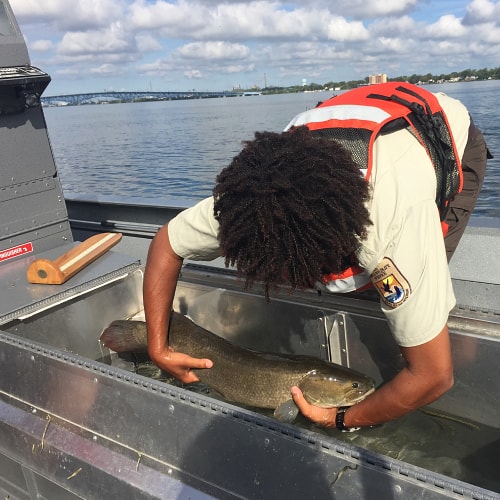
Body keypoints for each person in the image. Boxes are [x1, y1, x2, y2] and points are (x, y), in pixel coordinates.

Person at [143, 82, 490, 431]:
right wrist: (158, 346)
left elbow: (435, 375)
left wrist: (339, 418)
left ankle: (415, 353)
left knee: (413, 308)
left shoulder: (390, 228)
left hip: (444, 139)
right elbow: (166, 246)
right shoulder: (249, 201)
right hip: (356, 128)